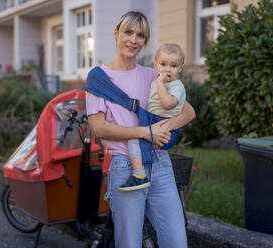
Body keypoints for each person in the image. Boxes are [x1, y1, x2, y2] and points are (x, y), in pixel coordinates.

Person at [86, 11, 195, 248]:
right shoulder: (99, 78)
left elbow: (187, 113)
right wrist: (146, 133)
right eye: (128, 32)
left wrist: (162, 130)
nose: (133, 40)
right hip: (126, 167)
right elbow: (99, 127)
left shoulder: (155, 75)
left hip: (161, 165)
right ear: (116, 34)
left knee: (177, 242)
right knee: (129, 244)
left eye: (140, 35)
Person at [119, 43, 187, 191]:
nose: (167, 69)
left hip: (165, 126)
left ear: (180, 68)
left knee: (134, 138)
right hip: (153, 119)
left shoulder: (176, 86)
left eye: (173, 66)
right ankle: (141, 172)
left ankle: (139, 174)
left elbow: (167, 104)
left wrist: (161, 83)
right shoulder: (156, 81)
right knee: (134, 135)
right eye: (163, 64)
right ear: (156, 65)